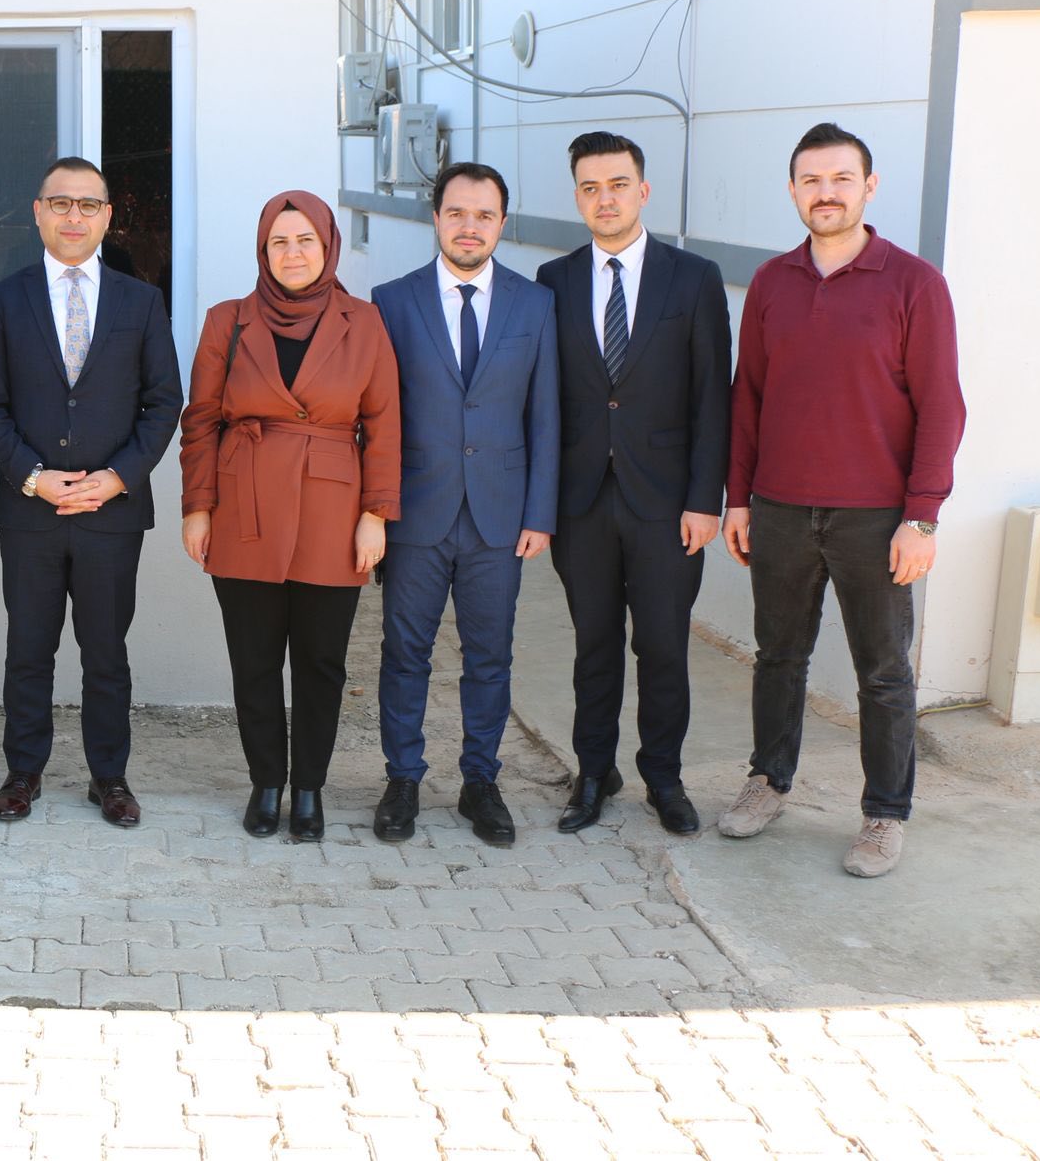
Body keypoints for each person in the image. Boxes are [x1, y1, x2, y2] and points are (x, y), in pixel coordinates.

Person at [718, 123, 967, 878]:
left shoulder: (914, 282)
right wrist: (739, 500)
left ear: (869, 186)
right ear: (794, 190)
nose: (825, 193)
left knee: (884, 672)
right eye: (810, 180)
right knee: (778, 657)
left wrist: (922, 515)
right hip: (782, 508)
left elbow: (941, 406)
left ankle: (884, 816)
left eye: (840, 178)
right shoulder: (771, 283)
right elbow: (747, 400)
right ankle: (768, 782)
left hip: (877, 517)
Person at [0, 157, 182, 826]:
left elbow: (163, 401)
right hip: (31, 511)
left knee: (106, 654)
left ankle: (109, 777)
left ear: (107, 216)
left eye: (88, 205)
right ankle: (22, 772)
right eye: (60, 203)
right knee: (28, 649)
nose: (73, 217)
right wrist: (32, 477)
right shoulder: (5, 298)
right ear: (38, 212)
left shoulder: (141, 301)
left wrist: (116, 479)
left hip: (109, 514)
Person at [179, 191, 400, 841]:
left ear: (327, 245)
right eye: (280, 241)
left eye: (305, 240)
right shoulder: (229, 321)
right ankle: (266, 782)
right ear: (263, 249)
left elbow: (385, 425)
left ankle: (308, 789)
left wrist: (376, 514)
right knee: (253, 659)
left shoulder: (364, 322)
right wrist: (198, 508)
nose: (293, 253)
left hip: (335, 512)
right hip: (242, 503)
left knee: (321, 662)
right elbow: (200, 423)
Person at [536, 132, 731, 836]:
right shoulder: (553, 282)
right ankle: (594, 773)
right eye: (590, 187)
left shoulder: (693, 278)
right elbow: (544, 399)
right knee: (594, 645)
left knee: (663, 647)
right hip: (581, 500)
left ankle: (664, 777)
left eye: (617, 184)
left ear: (642, 191)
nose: (604, 198)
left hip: (666, 505)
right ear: (578, 196)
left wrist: (704, 501)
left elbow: (714, 398)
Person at [371, 162, 559, 848]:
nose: (470, 226)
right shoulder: (390, 302)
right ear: (437, 219)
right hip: (415, 513)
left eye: (484, 215)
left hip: (500, 517)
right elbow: (380, 416)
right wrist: (377, 508)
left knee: (489, 656)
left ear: (501, 223)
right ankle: (403, 779)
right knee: (404, 654)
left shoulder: (533, 305)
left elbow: (546, 416)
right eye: (457, 213)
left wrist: (540, 512)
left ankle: (481, 780)